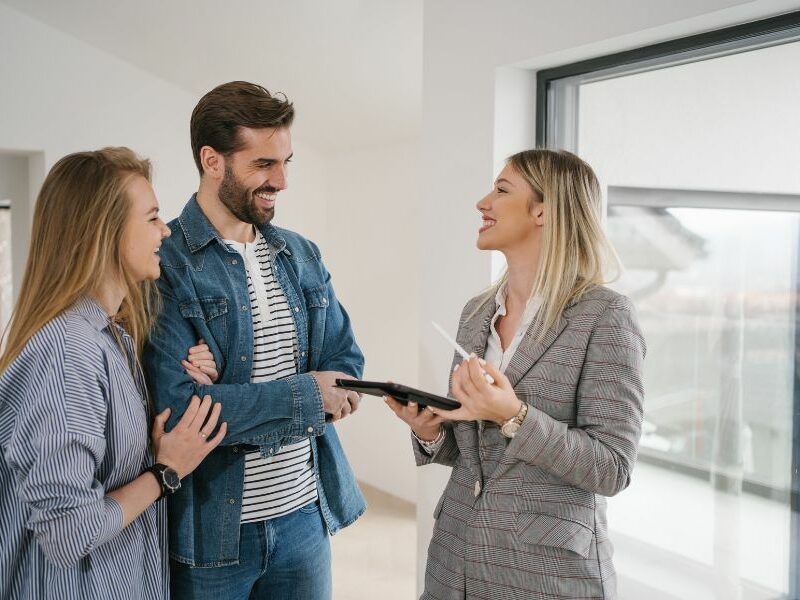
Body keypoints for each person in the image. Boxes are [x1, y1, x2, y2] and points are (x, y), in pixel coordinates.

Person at [386, 149, 646, 599]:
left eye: (502, 190)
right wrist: (431, 432)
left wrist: (515, 416)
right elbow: (474, 452)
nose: (482, 203)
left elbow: (612, 468)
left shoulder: (606, 316)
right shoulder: (476, 314)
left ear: (543, 210)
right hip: (454, 563)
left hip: (544, 576)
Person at [142, 81, 365, 599]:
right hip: (212, 535)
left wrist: (230, 399)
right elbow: (180, 412)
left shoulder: (302, 254)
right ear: (212, 161)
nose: (281, 181)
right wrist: (310, 395)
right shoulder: (165, 263)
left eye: (286, 162)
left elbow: (346, 361)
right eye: (264, 164)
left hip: (305, 516)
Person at [0, 147, 227, 599]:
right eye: (152, 217)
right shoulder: (67, 352)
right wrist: (165, 472)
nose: (165, 230)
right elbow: (69, 531)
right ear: (105, 231)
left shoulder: (111, 336)